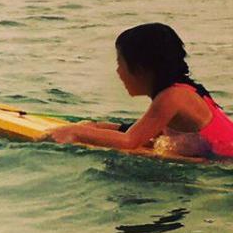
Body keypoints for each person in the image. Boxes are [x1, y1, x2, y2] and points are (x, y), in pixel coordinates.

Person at [49, 22, 233, 158]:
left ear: (141, 69)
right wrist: (98, 127)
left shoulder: (173, 97)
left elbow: (130, 141)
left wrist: (75, 132)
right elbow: (148, 133)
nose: (118, 72)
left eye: (120, 64)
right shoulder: (183, 91)